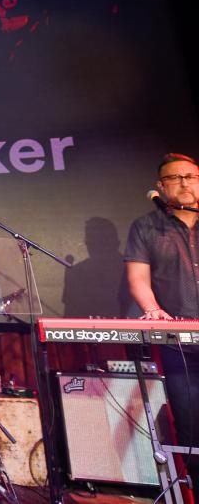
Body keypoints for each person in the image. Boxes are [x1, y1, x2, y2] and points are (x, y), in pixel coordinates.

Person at [125, 152, 199, 489]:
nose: (184, 183)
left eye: (191, 176)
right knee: (190, 425)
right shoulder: (146, 227)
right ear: (161, 187)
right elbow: (139, 278)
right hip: (179, 344)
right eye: (175, 178)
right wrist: (153, 309)